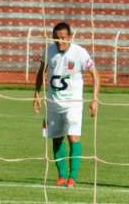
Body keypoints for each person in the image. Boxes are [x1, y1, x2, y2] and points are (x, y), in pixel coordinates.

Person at [33, 22, 100, 187]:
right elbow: (41, 72)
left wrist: (94, 99)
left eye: (63, 38)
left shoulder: (80, 53)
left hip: (74, 102)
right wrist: (36, 94)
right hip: (53, 102)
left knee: (73, 137)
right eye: (56, 38)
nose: (59, 42)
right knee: (55, 138)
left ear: (70, 37)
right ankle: (61, 175)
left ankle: (72, 177)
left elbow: (95, 75)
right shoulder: (49, 50)